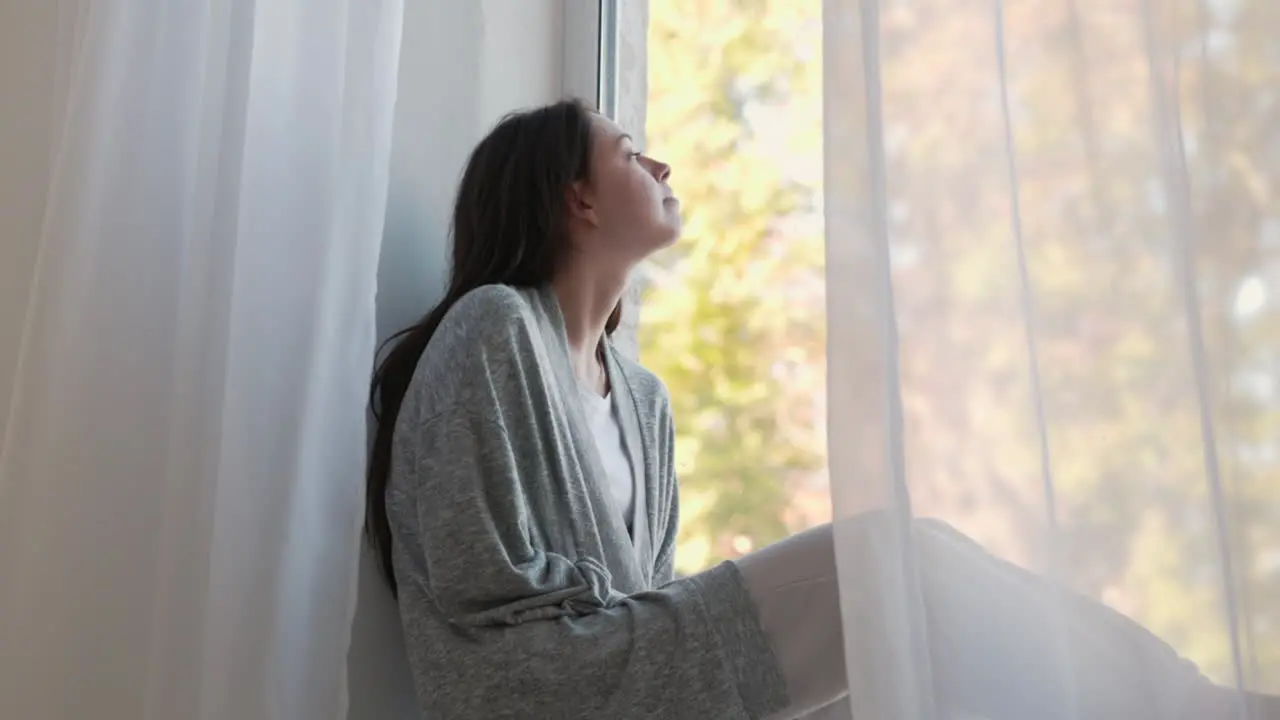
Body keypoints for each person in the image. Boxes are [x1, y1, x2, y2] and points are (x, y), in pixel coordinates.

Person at [365, 98, 1276, 719]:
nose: (660, 161)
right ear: (578, 199)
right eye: (629, 152)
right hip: (542, 688)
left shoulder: (642, 400)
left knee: (908, 653)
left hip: (636, 666)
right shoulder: (493, 331)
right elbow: (480, 587)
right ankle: (1203, 708)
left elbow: (651, 589)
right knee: (891, 561)